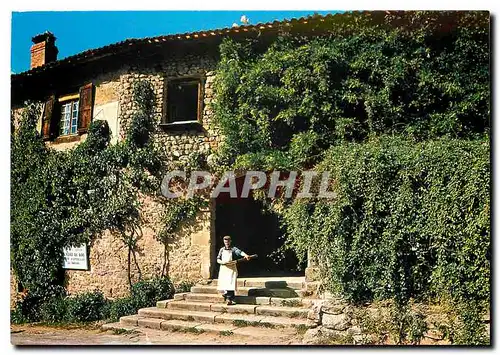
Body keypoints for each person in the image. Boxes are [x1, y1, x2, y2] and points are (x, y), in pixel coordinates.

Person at [216, 235, 251, 305]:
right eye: (225, 242)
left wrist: (245, 255)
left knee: (231, 283)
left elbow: (239, 252)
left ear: (230, 241)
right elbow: (218, 259)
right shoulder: (222, 250)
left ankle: (229, 298)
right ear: (224, 242)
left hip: (231, 268)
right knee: (225, 283)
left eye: (228, 242)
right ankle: (229, 297)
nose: (227, 243)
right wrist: (223, 262)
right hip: (224, 268)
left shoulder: (233, 249)